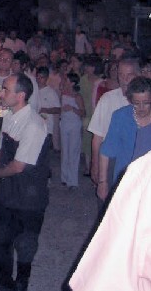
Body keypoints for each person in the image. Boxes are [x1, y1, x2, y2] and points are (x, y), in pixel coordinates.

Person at [0, 73, 50, 291]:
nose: (0, 93)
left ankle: (23, 275)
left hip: (30, 195)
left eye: (5, 89)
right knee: (1, 241)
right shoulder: (8, 117)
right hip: (9, 192)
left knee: (26, 243)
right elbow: (3, 153)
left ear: (21, 95)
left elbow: (19, 165)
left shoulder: (34, 125)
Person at [69, 150, 151, 291]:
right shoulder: (145, 173)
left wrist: (101, 179)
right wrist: (101, 178)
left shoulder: (145, 173)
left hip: (126, 196)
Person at [88, 55, 140, 187]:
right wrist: (95, 164)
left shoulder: (143, 101)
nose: (124, 80)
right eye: (121, 74)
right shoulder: (108, 99)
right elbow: (97, 136)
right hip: (111, 159)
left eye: (129, 75)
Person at [97, 76, 151, 203]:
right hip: (126, 181)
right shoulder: (120, 116)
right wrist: (103, 181)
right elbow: (106, 151)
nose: (141, 108)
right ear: (130, 100)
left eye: (146, 103)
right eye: (136, 103)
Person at [59, 72, 85, 189]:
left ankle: (72, 180)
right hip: (64, 124)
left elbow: (83, 113)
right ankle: (64, 177)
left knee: (73, 152)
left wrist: (73, 108)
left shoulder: (77, 96)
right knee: (65, 151)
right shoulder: (63, 93)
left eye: (67, 80)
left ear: (72, 83)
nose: (65, 82)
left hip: (74, 125)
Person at [35, 66, 61, 148]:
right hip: (34, 127)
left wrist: (44, 110)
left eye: (41, 77)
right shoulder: (34, 90)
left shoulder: (51, 92)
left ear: (46, 78)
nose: (39, 79)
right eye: (37, 77)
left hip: (46, 128)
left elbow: (58, 109)